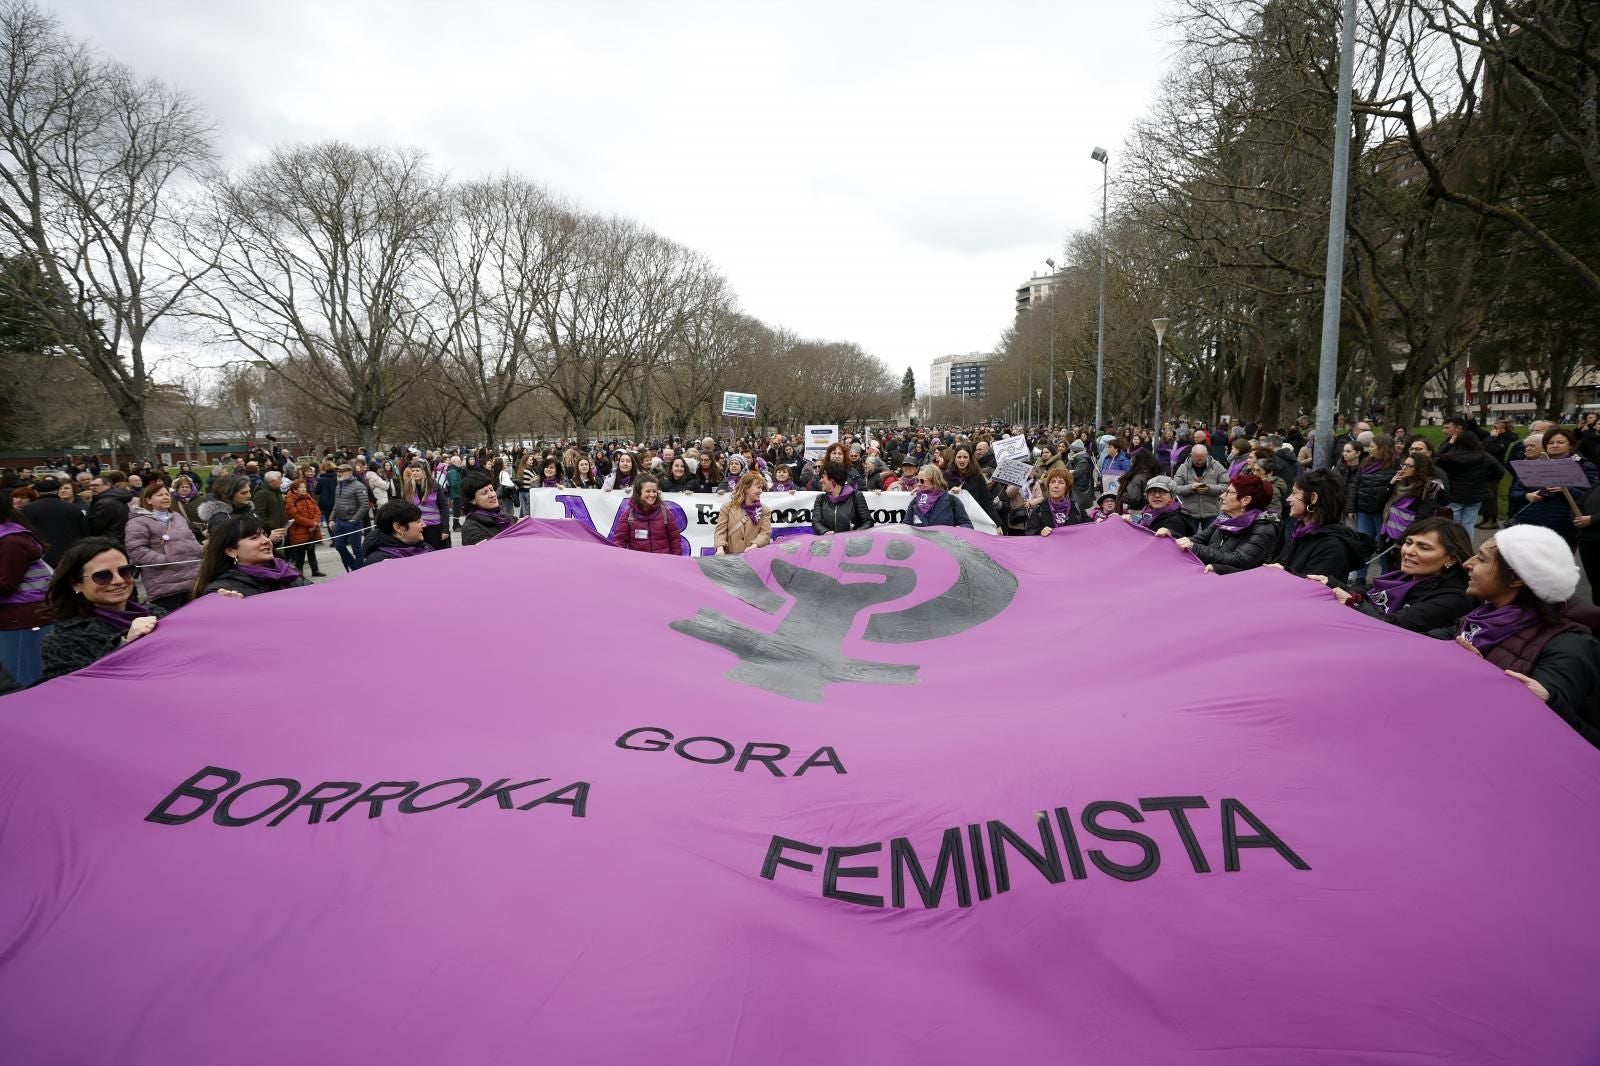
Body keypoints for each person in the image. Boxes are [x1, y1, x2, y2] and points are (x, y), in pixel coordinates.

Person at [1439, 526, 1600, 741]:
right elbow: (1428, 640)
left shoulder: (1570, 646)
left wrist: (1482, 673)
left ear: (1516, 578)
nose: (1468, 563)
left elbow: (1552, 735)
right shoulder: (1483, 618)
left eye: (1482, 559)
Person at [39, 537, 163, 681]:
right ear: (76, 584)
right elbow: (74, 692)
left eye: (125, 571)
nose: (118, 580)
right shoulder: (61, 641)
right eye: (102, 576)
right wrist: (126, 646)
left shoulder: (157, 613)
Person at [1328, 517, 1473, 633]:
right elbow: (1365, 592)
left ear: (1451, 558)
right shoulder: (1404, 577)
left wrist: (1354, 602)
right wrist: (1328, 583)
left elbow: (1391, 627)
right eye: (1408, 542)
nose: (1409, 551)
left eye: (1424, 547)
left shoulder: (1454, 598)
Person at [1158, 473, 1277, 574]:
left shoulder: (1264, 527)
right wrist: (1171, 537)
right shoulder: (1224, 519)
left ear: (1245, 500)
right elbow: (1198, 539)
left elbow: (1242, 560)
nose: (1222, 496)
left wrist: (1195, 549)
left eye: (1229, 492)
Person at [1271, 469, 1366, 586]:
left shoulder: (1332, 546)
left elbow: (1313, 590)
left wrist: (1281, 573)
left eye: (1294, 493)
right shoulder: (1301, 533)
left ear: (1313, 498)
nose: (1288, 499)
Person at [1509, 426, 1599, 546]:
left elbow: (1591, 499)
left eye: (1560, 442)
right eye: (1550, 443)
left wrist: (1567, 490)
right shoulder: (1533, 466)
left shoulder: (1584, 466)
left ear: (1571, 445)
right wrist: (1527, 496)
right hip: (1529, 522)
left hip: (1563, 525)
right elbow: (1514, 492)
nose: (1554, 445)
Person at [123, 482, 204, 613]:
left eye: (167, 494)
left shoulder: (177, 517)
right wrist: (165, 560)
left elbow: (190, 538)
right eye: (159, 495)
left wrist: (200, 550)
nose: (165, 497)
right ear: (148, 500)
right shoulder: (138, 522)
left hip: (192, 579)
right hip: (165, 583)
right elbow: (136, 549)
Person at [0, 493, 54, 686]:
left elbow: (6, 584)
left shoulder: (10, 541)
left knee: (25, 677)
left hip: (23, 618)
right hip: (20, 616)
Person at [192, 517, 312, 599]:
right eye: (254, 537)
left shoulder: (288, 573)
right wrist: (223, 606)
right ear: (231, 551)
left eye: (265, 535)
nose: (266, 541)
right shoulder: (222, 590)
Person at [1434, 429, 1504, 533]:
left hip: (1454, 495)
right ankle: (1466, 547)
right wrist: (1485, 479)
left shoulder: (1448, 458)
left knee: (1451, 526)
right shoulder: (1485, 456)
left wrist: (1449, 444)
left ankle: (1452, 547)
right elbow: (1500, 471)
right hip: (1475, 495)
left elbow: (1434, 459)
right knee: (1468, 525)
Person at [21, 477, 89, 568]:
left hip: (40, 555)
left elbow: (23, 531)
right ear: (57, 491)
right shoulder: (73, 508)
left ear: (37, 492)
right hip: (69, 554)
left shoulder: (27, 509)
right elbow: (85, 532)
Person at [613, 475, 683, 554]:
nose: (652, 495)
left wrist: (676, 561)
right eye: (648, 491)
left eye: (654, 491)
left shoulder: (665, 513)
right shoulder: (628, 515)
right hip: (638, 564)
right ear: (639, 492)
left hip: (662, 563)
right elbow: (619, 541)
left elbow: (675, 541)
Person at [1348, 434, 1398, 541]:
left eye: (1372, 447)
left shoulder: (1395, 465)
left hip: (1382, 513)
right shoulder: (1366, 463)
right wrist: (1351, 508)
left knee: (1382, 543)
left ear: (1382, 448)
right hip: (1363, 511)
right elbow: (1355, 485)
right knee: (1364, 543)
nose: (1369, 449)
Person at [714, 471, 773, 555]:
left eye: (761, 488)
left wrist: (754, 546)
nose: (761, 491)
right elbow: (720, 532)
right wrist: (720, 548)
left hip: (753, 558)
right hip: (730, 560)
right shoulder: (727, 507)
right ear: (746, 488)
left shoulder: (764, 510)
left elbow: (765, 533)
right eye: (758, 487)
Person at [811, 463, 875, 534]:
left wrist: (856, 533)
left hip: (851, 543)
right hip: (828, 543)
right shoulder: (820, 498)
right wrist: (825, 532)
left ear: (833, 480)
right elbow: (816, 522)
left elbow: (868, 522)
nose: (820, 481)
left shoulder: (856, 496)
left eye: (822, 477)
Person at [902, 466, 973, 529]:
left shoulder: (952, 501)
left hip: (944, 543)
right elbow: (906, 526)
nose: (919, 484)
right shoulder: (915, 501)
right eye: (917, 480)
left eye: (922, 481)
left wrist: (959, 529)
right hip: (920, 543)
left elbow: (967, 525)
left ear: (934, 480)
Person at [1173, 444, 1228, 526]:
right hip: (1189, 513)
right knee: (1190, 538)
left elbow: (1226, 486)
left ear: (1207, 455)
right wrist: (1191, 488)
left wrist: (1209, 488)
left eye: (1202, 458)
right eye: (1196, 459)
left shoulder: (1217, 467)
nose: (1199, 461)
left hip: (1212, 512)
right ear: (1191, 455)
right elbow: (1176, 488)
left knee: (1210, 538)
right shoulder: (1183, 468)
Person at [364, 501, 433, 565]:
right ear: (398, 528)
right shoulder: (380, 562)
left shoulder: (423, 545)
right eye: (418, 522)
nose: (424, 525)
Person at [399, 461, 447, 551]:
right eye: (412, 471)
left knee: (436, 553)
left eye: (417, 470)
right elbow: (405, 507)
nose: (414, 473)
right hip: (416, 528)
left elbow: (444, 508)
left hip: (435, 527)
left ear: (424, 472)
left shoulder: (434, 486)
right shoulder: (408, 486)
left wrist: (445, 529)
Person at [284, 477, 326, 577]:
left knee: (311, 551)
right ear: (295, 489)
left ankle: (315, 570)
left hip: (311, 530)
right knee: (300, 554)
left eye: (304, 487)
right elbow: (295, 516)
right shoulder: (290, 500)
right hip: (298, 530)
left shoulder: (308, 496)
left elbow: (317, 510)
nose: (304, 489)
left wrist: (315, 523)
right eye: (301, 487)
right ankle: (299, 573)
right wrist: (311, 524)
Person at [1128, 475, 1195, 538]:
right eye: (1152, 492)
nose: (1157, 495)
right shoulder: (1147, 514)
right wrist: (1130, 524)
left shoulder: (1175, 520)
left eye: (1163, 492)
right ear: (1146, 496)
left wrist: (1170, 533)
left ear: (1172, 497)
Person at [460, 470, 514, 545]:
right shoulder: (471, 528)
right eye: (484, 493)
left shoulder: (505, 517)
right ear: (473, 500)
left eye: (491, 490)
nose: (492, 495)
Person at [1025, 467, 1084, 536]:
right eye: (1052, 482)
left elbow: (1089, 527)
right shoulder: (1039, 509)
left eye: (1061, 482)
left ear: (1067, 487)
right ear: (1048, 486)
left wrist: (1097, 520)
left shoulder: (1076, 507)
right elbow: (1029, 532)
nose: (1055, 486)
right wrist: (1039, 531)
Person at [86, 470, 135, 544]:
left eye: (96, 485)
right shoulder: (114, 497)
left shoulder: (105, 503)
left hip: (108, 542)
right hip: (116, 539)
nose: (92, 488)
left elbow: (94, 527)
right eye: (91, 486)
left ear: (108, 485)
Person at [253, 470, 289, 539]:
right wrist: (270, 527)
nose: (281, 482)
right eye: (279, 479)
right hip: (271, 532)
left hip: (280, 530)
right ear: (272, 482)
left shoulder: (277, 491)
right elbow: (260, 514)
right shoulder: (261, 493)